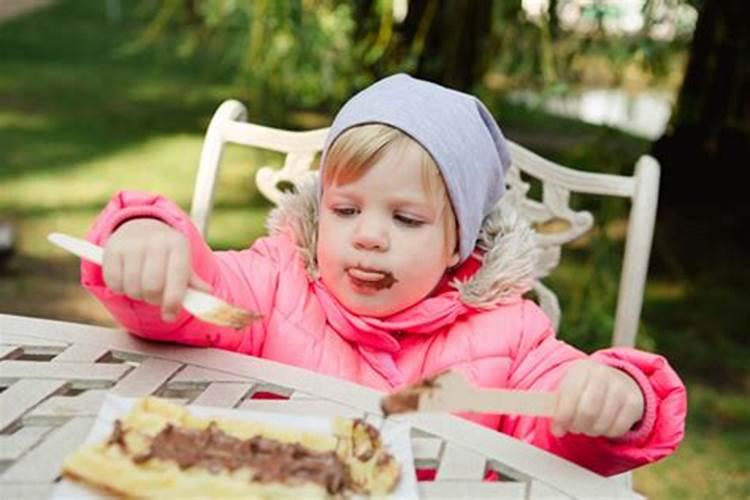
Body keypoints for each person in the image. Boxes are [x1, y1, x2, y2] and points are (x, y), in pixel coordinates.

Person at [81, 74, 686, 476]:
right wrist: (146, 238)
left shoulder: (512, 335)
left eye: (406, 217)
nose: (369, 235)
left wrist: (620, 397)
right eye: (345, 210)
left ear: (458, 243)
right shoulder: (276, 282)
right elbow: (192, 302)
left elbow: (560, 429)